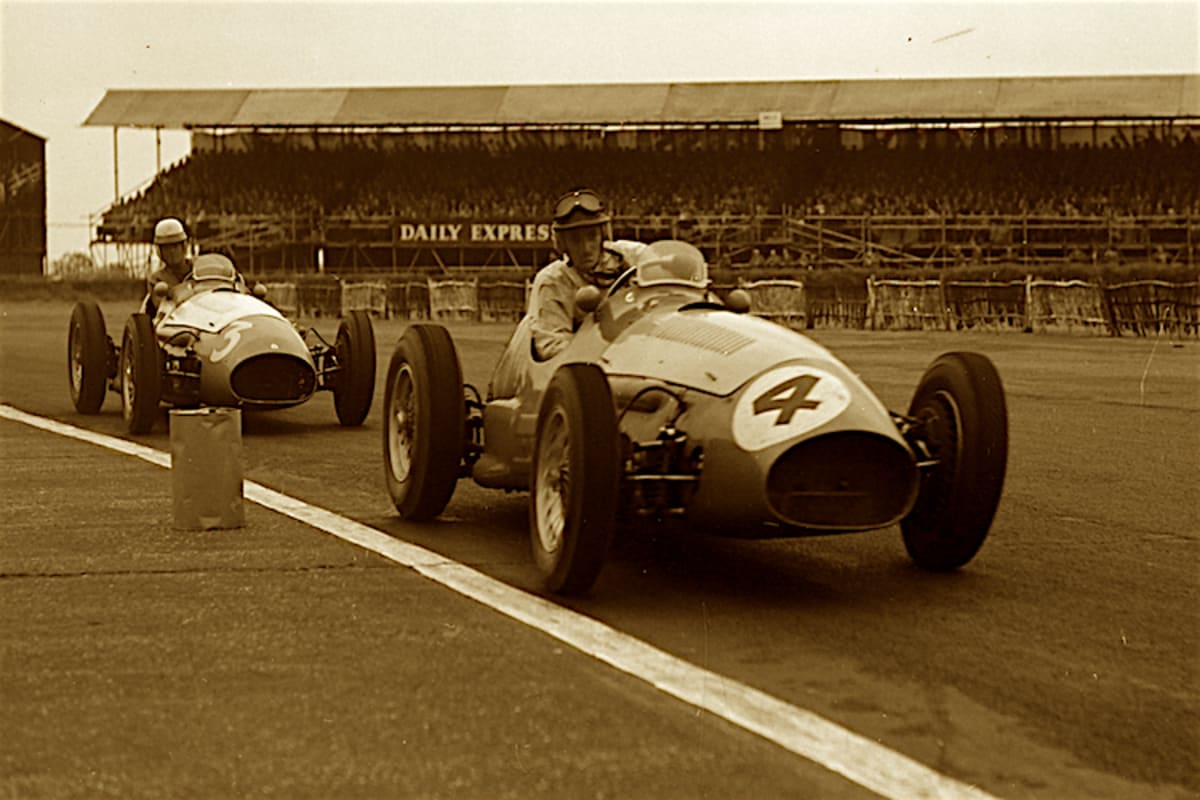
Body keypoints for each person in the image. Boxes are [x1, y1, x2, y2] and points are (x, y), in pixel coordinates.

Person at [527, 188, 646, 360]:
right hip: (591, 367)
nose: (586, 248)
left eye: (591, 236)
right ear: (562, 244)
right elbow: (551, 345)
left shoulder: (632, 256)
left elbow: (670, 267)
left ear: (603, 235)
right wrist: (606, 354)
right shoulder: (552, 281)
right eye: (575, 239)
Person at [142, 217, 193, 316]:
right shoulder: (156, 279)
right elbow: (162, 308)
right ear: (159, 251)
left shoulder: (198, 268)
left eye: (175, 246)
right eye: (166, 248)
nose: (172, 251)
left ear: (184, 246)